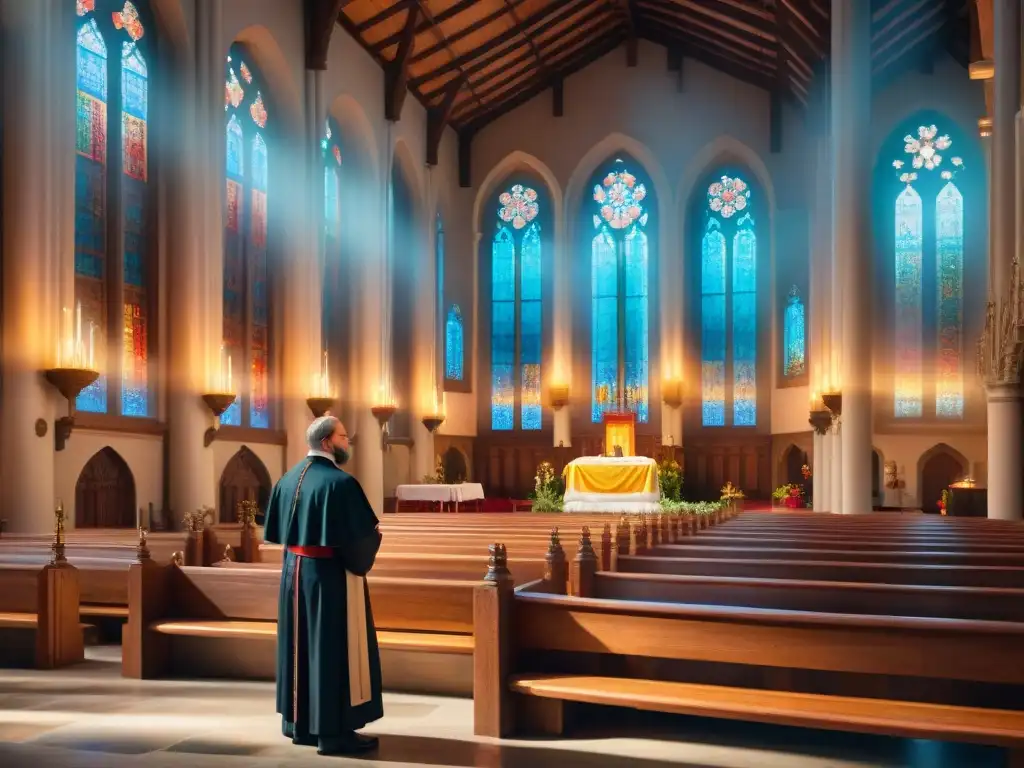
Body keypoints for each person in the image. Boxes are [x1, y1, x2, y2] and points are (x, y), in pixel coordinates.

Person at [263, 415, 383, 755]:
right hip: (327, 578)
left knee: (300, 647)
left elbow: (280, 534)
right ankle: (333, 733)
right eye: (344, 436)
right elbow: (360, 541)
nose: (348, 442)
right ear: (328, 442)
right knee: (330, 650)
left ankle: (301, 726)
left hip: (293, 574)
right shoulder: (340, 483)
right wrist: (371, 544)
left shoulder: (287, 479)